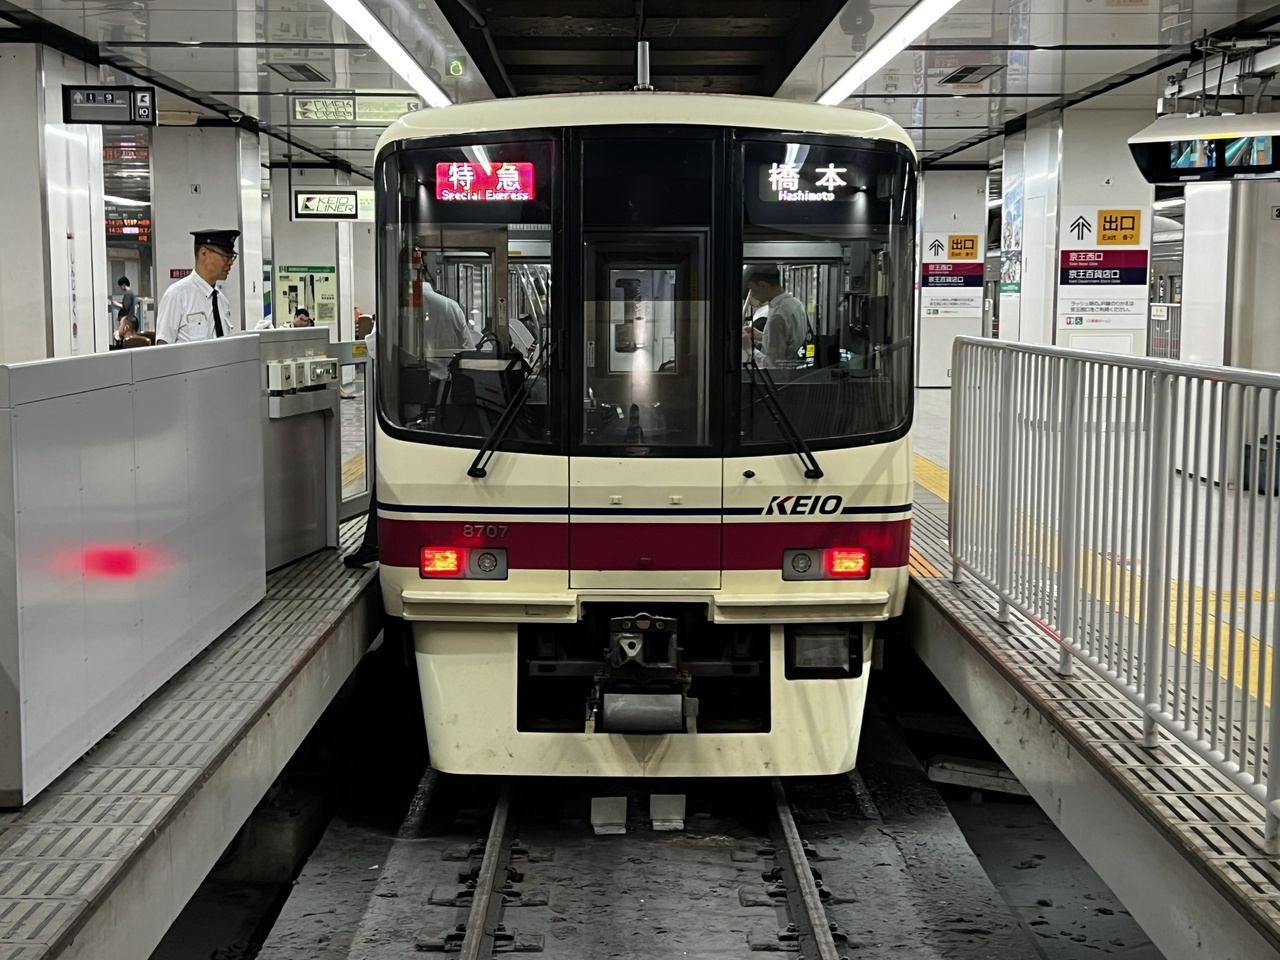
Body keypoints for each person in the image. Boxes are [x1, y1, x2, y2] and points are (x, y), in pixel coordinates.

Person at [155, 230, 239, 345]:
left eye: (232, 257)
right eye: (225, 256)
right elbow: (162, 349)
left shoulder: (222, 301)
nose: (230, 262)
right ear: (204, 253)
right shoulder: (177, 295)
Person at [345, 310, 379, 569]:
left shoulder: (396, 307)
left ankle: (372, 544)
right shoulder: (450, 308)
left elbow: (373, 344)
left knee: (386, 478)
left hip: (404, 411)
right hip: (445, 403)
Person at [745, 264, 809, 367]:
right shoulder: (796, 304)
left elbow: (772, 367)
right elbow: (790, 343)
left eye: (752, 289)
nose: (752, 294)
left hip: (781, 380)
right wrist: (763, 336)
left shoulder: (777, 316)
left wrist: (748, 347)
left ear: (763, 286)